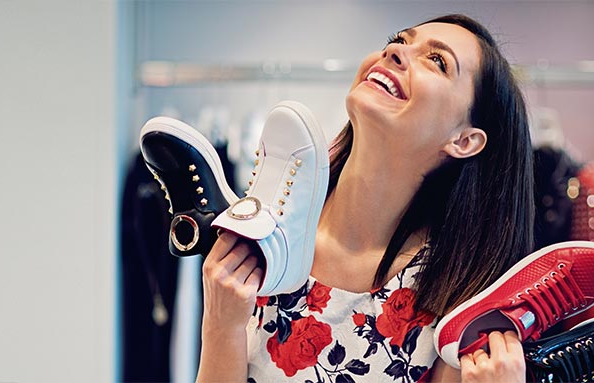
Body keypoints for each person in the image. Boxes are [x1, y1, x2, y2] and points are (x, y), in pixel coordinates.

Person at [196, 14, 535, 383]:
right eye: (400, 40)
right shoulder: (269, 234)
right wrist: (220, 324)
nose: (395, 51)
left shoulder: (453, 302)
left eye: (436, 61)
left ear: (464, 140)